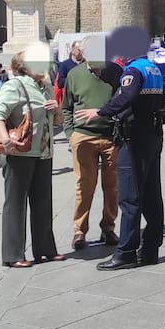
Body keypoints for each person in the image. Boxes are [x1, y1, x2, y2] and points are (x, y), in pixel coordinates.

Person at [76, 43, 165, 270]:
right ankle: (150, 250)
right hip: (153, 134)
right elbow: (163, 101)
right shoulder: (152, 68)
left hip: (133, 138)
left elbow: (126, 96)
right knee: (152, 195)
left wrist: (100, 111)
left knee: (130, 196)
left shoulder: (133, 71)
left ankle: (126, 252)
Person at [0, 47, 65, 268]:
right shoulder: (15, 86)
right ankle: (13, 254)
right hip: (19, 152)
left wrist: (57, 109)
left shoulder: (46, 87)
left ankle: (45, 250)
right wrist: (5, 138)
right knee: (15, 202)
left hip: (43, 152)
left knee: (43, 203)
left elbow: (58, 121)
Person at [61, 57, 120, 251]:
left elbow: (122, 102)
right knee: (84, 185)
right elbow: (67, 107)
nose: (99, 70)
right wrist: (71, 135)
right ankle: (80, 230)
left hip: (111, 137)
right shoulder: (74, 74)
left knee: (112, 186)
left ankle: (108, 227)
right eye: (95, 65)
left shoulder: (116, 72)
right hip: (84, 136)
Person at [54, 41, 85, 107]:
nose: (82, 52)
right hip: (70, 101)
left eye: (83, 49)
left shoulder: (86, 64)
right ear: (73, 50)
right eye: (79, 49)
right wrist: (75, 81)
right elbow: (60, 83)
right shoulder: (65, 65)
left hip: (84, 99)